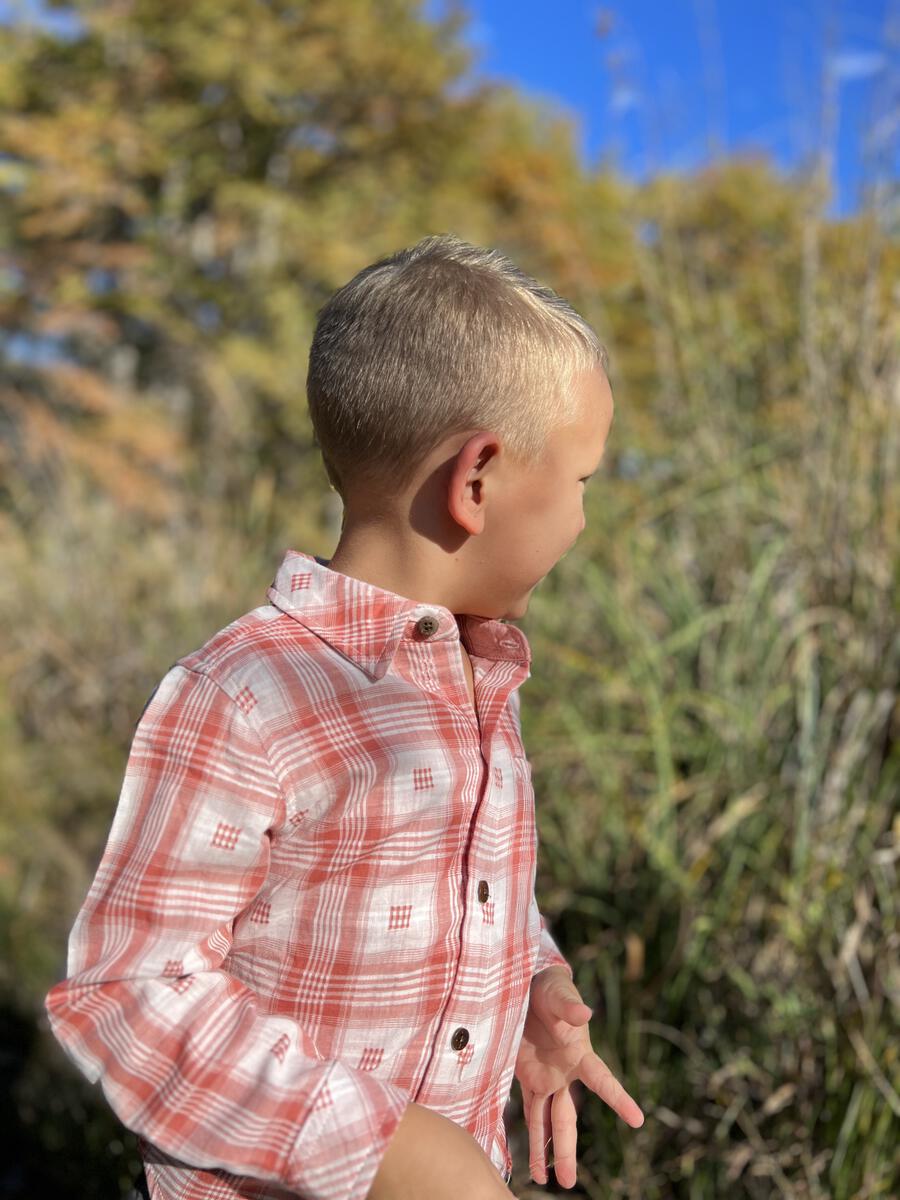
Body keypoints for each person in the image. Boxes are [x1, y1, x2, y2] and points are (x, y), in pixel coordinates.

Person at [45, 234, 644, 1200]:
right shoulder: (243, 695)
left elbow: (475, 887)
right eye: (581, 484)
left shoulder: (475, 676)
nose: (582, 518)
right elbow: (130, 996)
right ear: (478, 480)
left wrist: (529, 984)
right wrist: (394, 1152)